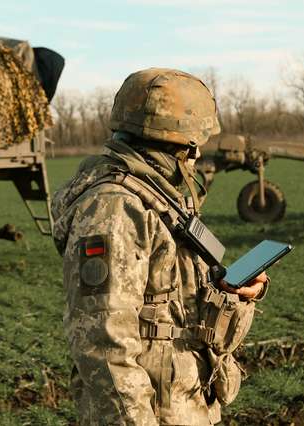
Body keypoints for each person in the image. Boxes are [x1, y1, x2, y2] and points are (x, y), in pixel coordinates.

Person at [51, 68, 270, 425]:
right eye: (198, 144)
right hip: (153, 413)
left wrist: (231, 290)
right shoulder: (113, 208)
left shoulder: (158, 197)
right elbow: (104, 345)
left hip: (185, 404)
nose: (200, 155)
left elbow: (170, 299)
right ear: (183, 145)